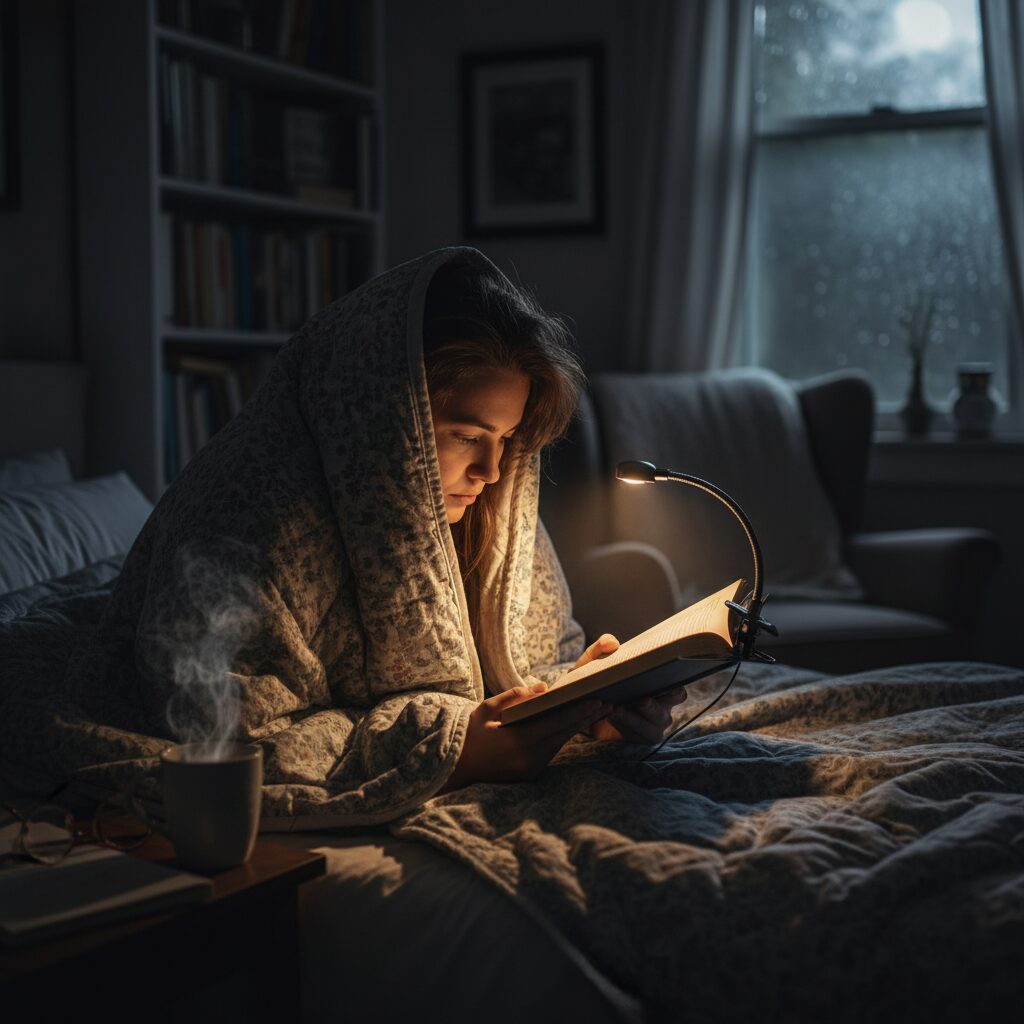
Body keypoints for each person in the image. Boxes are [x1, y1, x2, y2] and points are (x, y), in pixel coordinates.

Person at [28, 247, 686, 824]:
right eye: (465, 434)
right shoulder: (251, 521)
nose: (491, 470)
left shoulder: (495, 501)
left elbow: (531, 662)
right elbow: (231, 741)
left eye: (507, 439)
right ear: (383, 420)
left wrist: (587, 704)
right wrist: (450, 749)